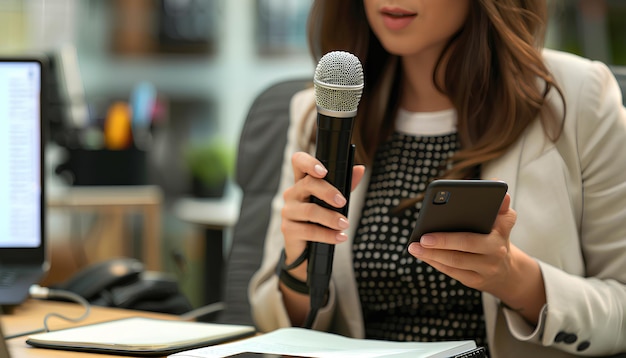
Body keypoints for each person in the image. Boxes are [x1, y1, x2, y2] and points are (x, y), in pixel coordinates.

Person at [248, 1, 626, 357]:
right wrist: (301, 259)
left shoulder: (581, 97)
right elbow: (276, 325)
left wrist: (514, 279)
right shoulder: (322, 111)